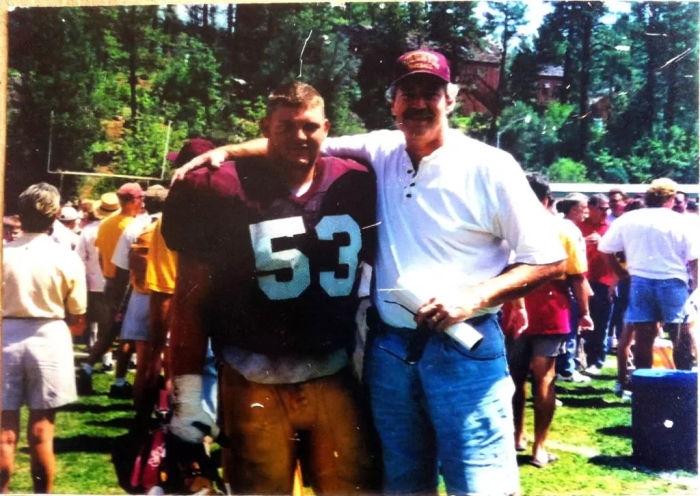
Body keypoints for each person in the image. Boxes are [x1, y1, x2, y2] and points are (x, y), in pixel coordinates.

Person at [175, 50, 566, 495]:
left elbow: (549, 257)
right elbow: (298, 139)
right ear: (393, 102)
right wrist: (225, 150)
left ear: (451, 99)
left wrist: (478, 297)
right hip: (392, 352)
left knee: (480, 486)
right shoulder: (381, 149)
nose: (419, 103)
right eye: (408, 93)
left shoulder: (491, 165)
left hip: (464, 347)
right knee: (399, 484)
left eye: (431, 93)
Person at [162, 82, 379, 494]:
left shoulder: (357, 182)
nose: (300, 136)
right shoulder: (219, 188)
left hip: (334, 373)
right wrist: (188, 398)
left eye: (310, 126)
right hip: (251, 377)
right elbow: (191, 300)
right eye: (286, 126)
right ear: (265, 128)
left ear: (327, 128)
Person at [1, 183, 87, 493]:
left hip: (5, 335)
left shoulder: (3, 254)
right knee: (42, 433)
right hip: (49, 335)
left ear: (20, 215)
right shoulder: (66, 257)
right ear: (54, 216)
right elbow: (77, 315)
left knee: (3, 434)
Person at [508, 173, 592, 467]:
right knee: (544, 377)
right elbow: (577, 277)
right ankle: (539, 449)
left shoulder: (507, 223)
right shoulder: (564, 229)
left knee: (514, 378)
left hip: (514, 308)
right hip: (551, 310)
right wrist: (585, 313)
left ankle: (517, 436)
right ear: (548, 198)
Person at [599, 178, 699, 398]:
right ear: (671, 198)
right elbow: (694, 258)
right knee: (679, 335)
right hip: (673, 282)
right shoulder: (681, 221)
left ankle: (644, 391)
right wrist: (695, 283)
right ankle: (684, 388)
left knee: (644, 338)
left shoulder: (629, 219)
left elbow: (605, 248)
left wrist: (620, 272)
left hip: (640, 281)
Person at [76, 183, 144, 395]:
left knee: (107, 332)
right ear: (133, 201)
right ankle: (119, 382)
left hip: (109, 282)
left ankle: (87, 369)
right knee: (126, 334)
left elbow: (99, 255)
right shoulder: (135, 226)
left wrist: (107, 274)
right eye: (140, 199)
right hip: (126, 284)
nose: (142, 203)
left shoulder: (105, 224)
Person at [575, 194, 614, 375]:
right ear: (590, 208)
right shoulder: (578, 226)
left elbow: (620, 254)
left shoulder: (611, 228)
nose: (606, 212)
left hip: (603, 281)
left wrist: (603, 243)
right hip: (581, 280)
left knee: (600, 323)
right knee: (577, 321)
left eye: (608, 208)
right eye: (602, 208)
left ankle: (596, 361)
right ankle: (574, 360)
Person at [75, 199, 108, 350]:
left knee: (94, 317)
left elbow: (79, 257)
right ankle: (106, 354)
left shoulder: (88, 230)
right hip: (116, 280)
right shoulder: (123, 227)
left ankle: (93, 345)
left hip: (93, 280)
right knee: (109, 318)